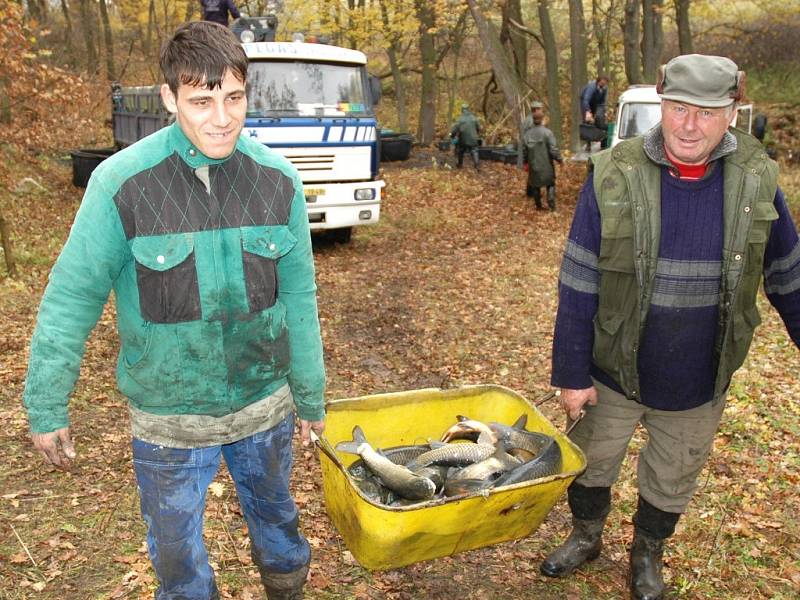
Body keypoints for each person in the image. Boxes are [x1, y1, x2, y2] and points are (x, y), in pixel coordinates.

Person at [23, 21, 325, 600]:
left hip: (264, 408)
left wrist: (309, 393)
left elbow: (300, 297)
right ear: (169, 98)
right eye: (202, 101)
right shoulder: (121, 184)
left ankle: (287, 588)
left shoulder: (278, 181)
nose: (222, 118)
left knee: (280, 530)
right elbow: (70, 299)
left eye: (234, 98)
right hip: (170, 421)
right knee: (178, 562)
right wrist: (46, 402)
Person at [544, 54, 800, 600]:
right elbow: (579, 279)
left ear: (732, 112)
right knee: (589, 466)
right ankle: (587, 535)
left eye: (707, 113)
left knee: (671, 478)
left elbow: (788, 274)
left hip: (698, 377)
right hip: (611, 370)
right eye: (679, 108)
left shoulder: (756, 180)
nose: (689, 125)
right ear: (661, 103)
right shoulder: (614, 174)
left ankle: (646, 554)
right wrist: (570, 372)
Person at [522, 101, 563, 211]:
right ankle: (551, 205)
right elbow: (553, 149)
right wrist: (559, 159)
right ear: (542, 119)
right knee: (550, 183)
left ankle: (538, 206)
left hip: (534, 164)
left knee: (535, 185)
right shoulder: (547, 133)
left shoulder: (527, 135)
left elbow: (524, 150)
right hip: (546, 165)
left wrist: (525, 162)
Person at [580, 74, 610, 150]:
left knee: (600, 120)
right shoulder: (592, 87)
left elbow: (602, 101)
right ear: (598, 82)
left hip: (596, 103)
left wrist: (604, 111)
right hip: (586, 103)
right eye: (602, 83)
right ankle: (588, 144)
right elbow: (586, 100)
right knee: (588, 122)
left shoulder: (604, 88)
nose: (603, 85)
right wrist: (588, 111)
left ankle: (602, 142)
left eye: (605, 83)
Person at [450, 103, 481, 170]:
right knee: (474, 150)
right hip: (473, 139)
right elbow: (479, 128)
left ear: (462, 110)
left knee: (461, 150)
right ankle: (477, 165)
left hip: (463, 140)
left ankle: (460, 164)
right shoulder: (474, 118)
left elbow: (454, 130)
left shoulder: (460, 119)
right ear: (468, 109)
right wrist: (476, 134)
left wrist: (452, 136)